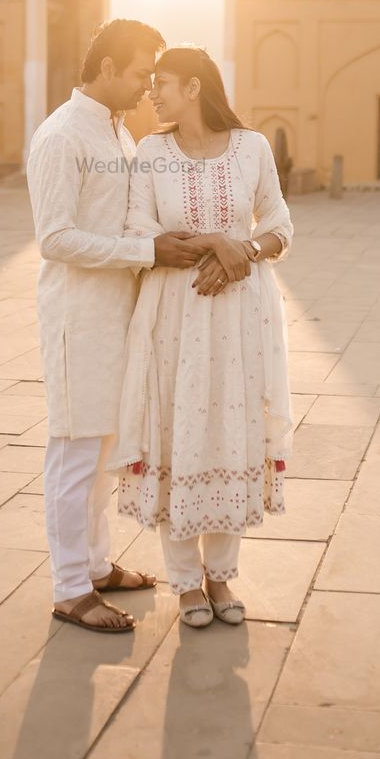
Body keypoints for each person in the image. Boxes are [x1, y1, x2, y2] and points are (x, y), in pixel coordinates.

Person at [26, 20, 227, 634]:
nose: (147, 87)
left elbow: (134, 220)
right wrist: (148, 254)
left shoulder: (116, 133)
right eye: (141, 73)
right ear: (108, 68)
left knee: (103, 448)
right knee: (75, 451)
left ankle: (93, 564)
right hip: (79, 321)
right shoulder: (62, 136)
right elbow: (55, 238)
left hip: (121, 317)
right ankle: (69, 590)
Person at [111, 45, 294, 627]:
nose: (152, 93)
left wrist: (244, 250)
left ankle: (220, 578)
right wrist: (217, 243)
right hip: (175, 310)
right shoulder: (152, 152)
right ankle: (186, 582)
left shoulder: (252, 148)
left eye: (161, 83)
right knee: (177, 431)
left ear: (193, 87)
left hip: (238, 311)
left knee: (228, 431)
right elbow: (139, 227)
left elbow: (280, 226)